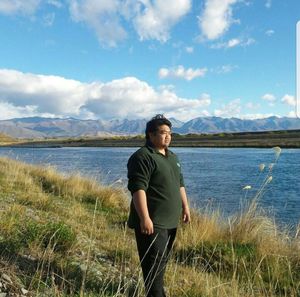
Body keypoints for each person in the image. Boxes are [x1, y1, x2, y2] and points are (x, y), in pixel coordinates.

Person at [127, 114, 191, 297]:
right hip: (153, 223)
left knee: (162, 262)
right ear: (150, 134)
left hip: (171, 222)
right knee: (152, 265)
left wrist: (185, 207)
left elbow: (180, 184)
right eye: (163, 133)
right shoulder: (142, 157)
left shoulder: (172, 157)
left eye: (170, 133)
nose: (168, 136)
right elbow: (138, 189)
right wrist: (145, 218)